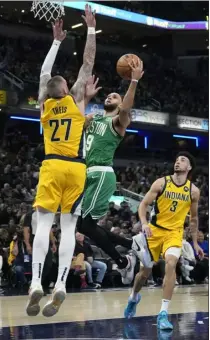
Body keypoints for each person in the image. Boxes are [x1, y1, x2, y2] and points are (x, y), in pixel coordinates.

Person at [26, 4, 97, 318]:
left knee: (43, 224)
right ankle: (61, 285)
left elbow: (43, 73)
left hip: (52, 165)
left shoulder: (44, 103)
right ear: (66, 88)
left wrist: (55, 42)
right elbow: (88, 61)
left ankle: (35, 282)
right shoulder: (77, 98)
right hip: (77, 169)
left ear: (48, 91)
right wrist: (91, 29)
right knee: (68, 229)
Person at [78, 58, 144, 284]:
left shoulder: (118, 122)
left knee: (86, 225)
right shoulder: (93, 118)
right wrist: (86, 97)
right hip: (86, 174)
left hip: (101, 173)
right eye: (108, 95)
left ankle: (124, 260)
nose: (109, 97)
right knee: (84, 226)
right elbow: (76, 119)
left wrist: (133, 81)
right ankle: (130, 245)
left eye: (114, 97)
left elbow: (126, 108)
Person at [125, 152, 204, 330]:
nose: (178, 162)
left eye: (182, 160)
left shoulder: (193, 191)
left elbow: (193, 219)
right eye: (176, 160)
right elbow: (143, 205)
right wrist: (144, 224)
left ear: (189, 167)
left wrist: (195, 242)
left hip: (174, 233)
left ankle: (163, 313)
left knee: (171, 263)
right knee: (143, 274)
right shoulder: (161, 183)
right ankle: (133, 297)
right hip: (154, 231)